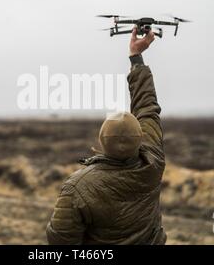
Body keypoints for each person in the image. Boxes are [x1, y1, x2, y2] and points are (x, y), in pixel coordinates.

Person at [46, 27, 167, 244]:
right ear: (140, 137)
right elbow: (147, 107)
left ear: (101, 141)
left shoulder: (78, 187)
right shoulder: (153, 161)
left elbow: (61, 242)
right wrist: (136, 59)